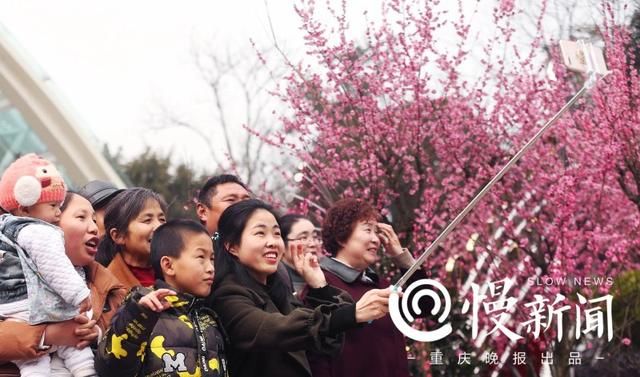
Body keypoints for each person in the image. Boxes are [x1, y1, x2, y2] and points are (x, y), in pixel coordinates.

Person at [210, 199, 392, 377]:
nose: (273, 242)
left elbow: (326, 342)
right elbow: (276, 330)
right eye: (260, 233)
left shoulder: (279, 291)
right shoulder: (227, 295)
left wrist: (319, 286)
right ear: (232, 246)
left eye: (276, 233)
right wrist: (351, 314)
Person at [0, 191, 127, 376]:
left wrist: (95, 335)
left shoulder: (110, 287)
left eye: (94, 220)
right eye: (81, 217)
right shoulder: (8, 278)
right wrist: (48, 335)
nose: (94, 229)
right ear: (47, 223)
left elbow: (127, 339)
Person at [0, 155, 96, 376]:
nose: (57, 213)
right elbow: (54, 266)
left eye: (95, 220)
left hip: (11, 310)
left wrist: (96, 331)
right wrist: (79, 294)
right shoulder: (37, 231)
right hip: (29, 307)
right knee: (77, 352)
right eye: (54, 205)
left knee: (32, 364)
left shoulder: (8, 229)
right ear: (25, 208)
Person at [308, 198, 426, 377]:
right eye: (367, 230)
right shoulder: (320, 285)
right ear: (341, 237)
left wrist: (401, 256)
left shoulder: (380, 284)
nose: (376, 239)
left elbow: (424, 305)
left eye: (376, 231)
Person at [96, 219, 229, 377]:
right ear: (168, 265)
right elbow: (110, 367)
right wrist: (139, 316)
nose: (210, 268)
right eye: (201, 257)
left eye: (212, 259)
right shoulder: (142, 308)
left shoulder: (208, 316)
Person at [96, 188, 167, 290]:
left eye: (162, 219)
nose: (159, 226)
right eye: (147, 220)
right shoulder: (107, 286)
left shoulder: (177, 269)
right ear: (118, 235)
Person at [279, 214, 322, 293]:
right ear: (282, 244)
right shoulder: (276, 283)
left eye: (315, 237)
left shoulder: (324, 275)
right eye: (303, 238)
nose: (313, 244)